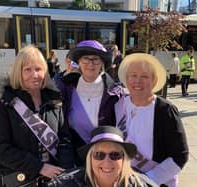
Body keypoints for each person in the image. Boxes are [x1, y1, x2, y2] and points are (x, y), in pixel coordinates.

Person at [0, 45, 73, 187]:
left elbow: (65, 139)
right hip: (19, 178)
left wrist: (64, 172)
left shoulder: (54, 99)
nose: (34, 75)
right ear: (18, 72)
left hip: (53, 179)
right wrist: (39, 167)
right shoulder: (5, 101)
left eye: (38, 69)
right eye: (27, 69)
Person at [116, 53, 189, 186]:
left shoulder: (165, 110)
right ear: (126, 79)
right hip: (123, 179)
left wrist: (146, 180)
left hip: (156, 182)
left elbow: (180, 155)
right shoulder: (118, 104)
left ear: (154, 81)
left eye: (144, 76)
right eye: (133, 75)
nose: (138, 80)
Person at [54, 40, 124, 166]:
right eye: (85, 59)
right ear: (79, 62)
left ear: (102, 63)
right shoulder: (66, 89)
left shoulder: (116, 94)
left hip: (106, 159)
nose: (90, 64)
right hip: (75, 158)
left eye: (96, 59)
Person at [46, 126, 158, 187]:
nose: (107, 161)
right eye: (99, 155)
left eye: (115, 155)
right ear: (90, 158)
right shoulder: (64, 184)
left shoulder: (141, 185)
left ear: (124, 159)